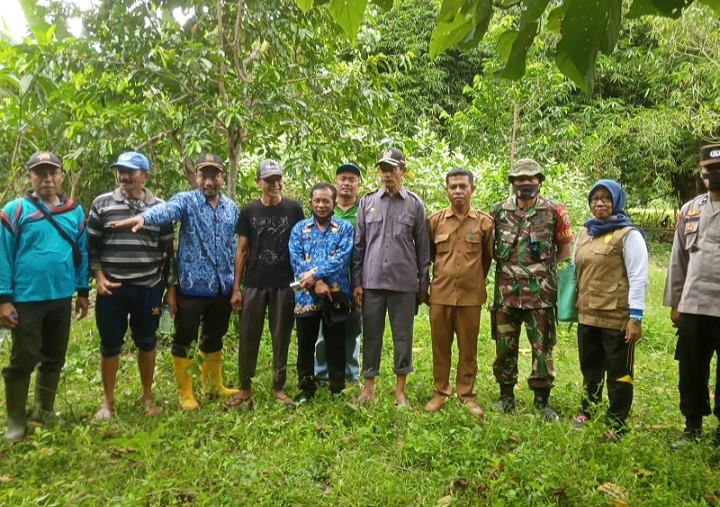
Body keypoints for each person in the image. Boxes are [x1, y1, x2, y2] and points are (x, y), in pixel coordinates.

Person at [110, 154, 238, 411]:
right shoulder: (186, 201)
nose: (209, 181)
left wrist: (235, 283)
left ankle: (212, 385)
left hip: (222, 286)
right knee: (185, 338)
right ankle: (186, 393)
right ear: (196, 177)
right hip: (192, 286)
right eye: (204, 175)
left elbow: (232, 244)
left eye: (214, 175)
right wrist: (144, 218)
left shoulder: (231, 207)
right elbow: (166, 210)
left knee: (215, 336)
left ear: (223, 177)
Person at [0, 151, 89, 442]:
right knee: (23, 356)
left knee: (55, 355)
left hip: (61, 295)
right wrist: (4, 299)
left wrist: (82, 292)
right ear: (30, 177)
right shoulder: (15, 210)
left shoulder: (75, 211)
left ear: (62, 175)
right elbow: (3, 256)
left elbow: (81, 253)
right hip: (26, 298)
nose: (48, 178)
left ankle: (43, 411)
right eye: (41, 173)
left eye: (53, 172)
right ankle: (15, 420)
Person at [87, 151, 175, 418]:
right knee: (110, 343)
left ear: (145, 176)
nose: (124, 176)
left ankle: (147, 397)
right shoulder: (102, 204)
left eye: (131, 172)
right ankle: (107, 402)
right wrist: (99, 277)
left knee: (147, 342)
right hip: (111, 288)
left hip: (148, 287)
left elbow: (169, 252)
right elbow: (91, 247)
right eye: (121, 171)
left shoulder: (160, 208)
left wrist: (170, 290)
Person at [489, 158, 573, 421]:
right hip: (506, 295)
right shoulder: (497, 212)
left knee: (541, 348)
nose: (526, 184)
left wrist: (541, 271)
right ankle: (506, 396)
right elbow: (489, 249)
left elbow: (565, 249)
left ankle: (542, 401)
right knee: (504, 348)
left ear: (539, 181)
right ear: (512, 183)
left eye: (531, 179)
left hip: (541, 295)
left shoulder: (554, 211)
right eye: (520, 180)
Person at [352, 147, 431, 406]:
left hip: (403, 284)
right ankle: (369, 387)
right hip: (372, 282)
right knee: (371, 335)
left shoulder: (415, 205)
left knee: (403, 337)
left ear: (403, 170)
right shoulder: (367, 202)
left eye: (392, 169)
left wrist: (422, 285)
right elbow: (359, 246)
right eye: (383, 169)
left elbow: (423, 249)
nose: (386, 174)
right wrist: (357, 282)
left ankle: (400, 391)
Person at [572, 179, 648, 441]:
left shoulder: (628, 234)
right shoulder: (585, 232)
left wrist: (635, 318)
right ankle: (588, 411)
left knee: (619, 372)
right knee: (590, 370)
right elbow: (576, 270)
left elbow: (638, 277)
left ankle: (617, 422)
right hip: (588, 315)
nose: (599, 203)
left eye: (605, 198)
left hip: (616, 317)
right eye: (595, 198)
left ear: (616, 201)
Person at [226, 159, 304, 407]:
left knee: (281, 336)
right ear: (258, 182)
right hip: (255, 283)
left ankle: (278, 387)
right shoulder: (249, 211)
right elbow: (242, 251)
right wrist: (236, 288)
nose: (275, 184)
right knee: (249, 335)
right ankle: (245, 387)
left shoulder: (294, 209)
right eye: (269, 180)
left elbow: (302, 244)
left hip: (284, 283)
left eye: (278, 179)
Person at [664, 143, 720, 450]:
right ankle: (692, 426)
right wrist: (676, 302)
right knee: (691, 369)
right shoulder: (691, 209)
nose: (714, 175)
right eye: (709, 170)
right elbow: (678, 260)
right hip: (694, 303)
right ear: (701, 173)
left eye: (719, 169)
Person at [424, 168, 493, 417]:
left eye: (463, 186)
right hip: (440, 295)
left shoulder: (485, 223)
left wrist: (471, 279)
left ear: (472, 189)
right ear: (446, 190)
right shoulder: (434, 221)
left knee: (468, 349)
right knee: (440, 347)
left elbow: (487, 258)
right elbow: (429, 256)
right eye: (453, 187)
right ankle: (440, 392)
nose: (457, 191)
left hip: (470, 297)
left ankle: (467, 395)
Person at [289, 183, 354, 402]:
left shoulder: (345, 228)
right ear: (310, 203)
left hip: (334, 295)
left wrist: (315, 275)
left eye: (326, 201)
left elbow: (341, 259)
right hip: (305, 295)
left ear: (334, 203)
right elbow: (296, 260)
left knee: (336, 343)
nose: (321, 205)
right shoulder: (299, 229)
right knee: (305, 344)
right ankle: (306, 389)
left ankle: (337, 388)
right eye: (317, 200)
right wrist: (315, 283)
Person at [314, 163, 362, 386]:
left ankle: (351, 374)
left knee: (352, 329)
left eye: (352, 179)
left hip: (354, 282)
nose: (347, 183)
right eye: (342, 178)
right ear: (335, 183)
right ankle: (322, 372)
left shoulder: (364, 211)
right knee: (325, 329)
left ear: (358, 185)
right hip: (326, 283)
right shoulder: (324, 213)